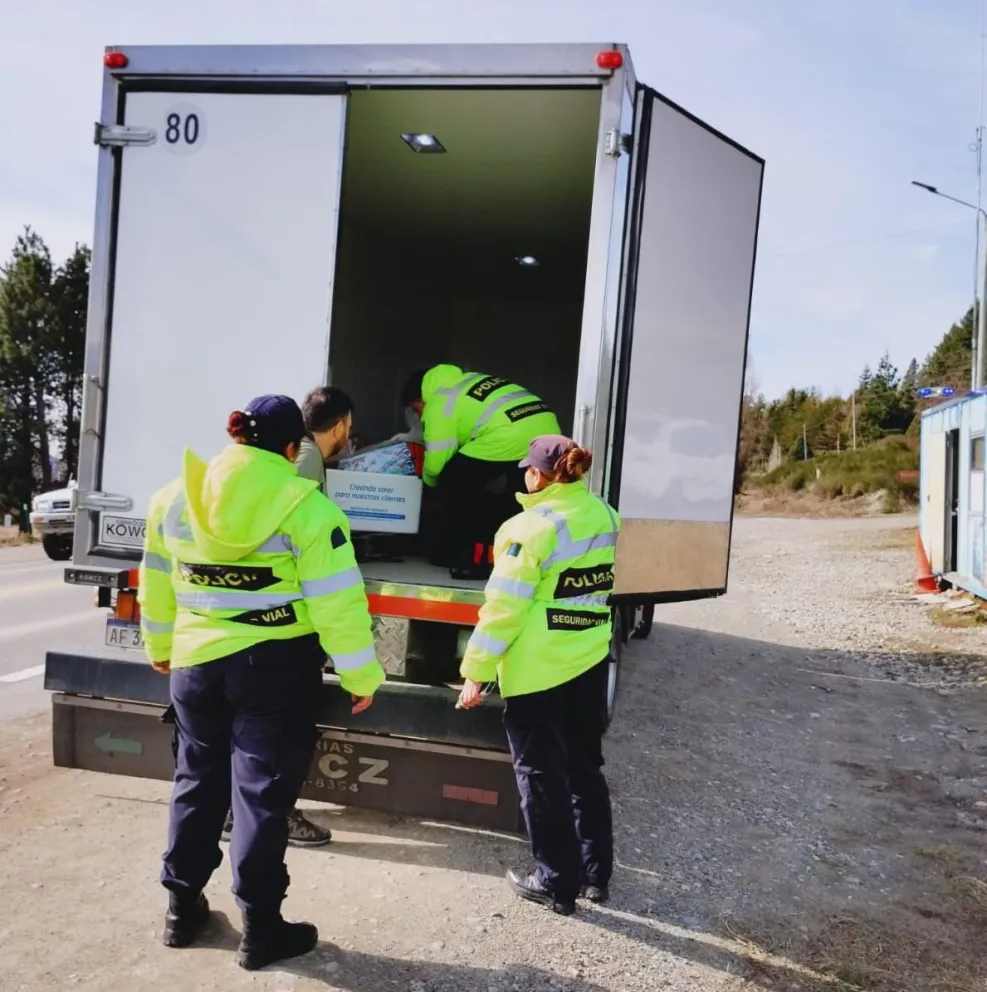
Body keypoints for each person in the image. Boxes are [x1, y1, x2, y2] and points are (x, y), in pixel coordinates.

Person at [138, 394, 385, 970]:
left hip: (195, 666)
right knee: (260, 798)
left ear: (235, 438)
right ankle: (260, 929)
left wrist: (159, 647)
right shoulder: (308, 508)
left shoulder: (173, 498)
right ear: (293, 448)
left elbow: (156, 582)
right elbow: (338, 605)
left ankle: (180, 911)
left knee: (196, 784)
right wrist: (359, 675)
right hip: (274, 671)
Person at [456, 435, 619, 916]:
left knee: (541, 777)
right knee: (585, 769)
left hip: (538, 671)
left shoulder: (527, 529)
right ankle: (594, 874)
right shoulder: (606, 515)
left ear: (535, 474)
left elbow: (503, 610)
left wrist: (476, 671)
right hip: (589, 657)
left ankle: (555, 882)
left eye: (527, 469)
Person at [220, 385, 356, 849]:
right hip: (279, 633)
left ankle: (230, 818)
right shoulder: (307, 463)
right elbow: (302, 553)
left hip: (221, 637)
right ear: (340, 425)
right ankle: (272, 819)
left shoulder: (205, 485)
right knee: (280, 739)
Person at [401, 365, 560, 580]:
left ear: (420, 398)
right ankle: (512, 556)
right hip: (547, 429)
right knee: (519, 497)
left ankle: (454, 552)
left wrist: (426, 487)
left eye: (416, 409)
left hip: (509, 436)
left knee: (453, 480)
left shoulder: (439, 402)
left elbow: (437, 462)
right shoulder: (468, 381)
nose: (419, 416)